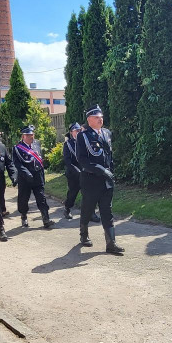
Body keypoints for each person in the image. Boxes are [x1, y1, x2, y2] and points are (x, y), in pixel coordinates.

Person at [75, 105, 124, 255]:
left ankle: (111, 244)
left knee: (107, 210)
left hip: (106, 181)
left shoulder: (106, 133)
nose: (100, 119)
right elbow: (81, 159)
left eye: (101, 117)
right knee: (88, 209)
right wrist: (100, 170)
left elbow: (109, 156)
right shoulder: (83, 136)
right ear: (89, 120)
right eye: (96, 117)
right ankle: (84, 235)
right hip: (91, 180)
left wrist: (110, 171)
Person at [12, 125, 55, 229]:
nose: (31, 137)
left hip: (37, 176)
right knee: (23, 198)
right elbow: (18, 164)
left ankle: (46, 218)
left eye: (32, 135)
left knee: (41, 197)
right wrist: (26, 173)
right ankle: (24, 217)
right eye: (28, 135)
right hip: (25, 177)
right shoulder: (17, 148)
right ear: (23, 136)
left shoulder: (36, 144)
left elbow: (39, 161)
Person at [62, 123, 84, 219]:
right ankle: (67, 208)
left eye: (79, 130)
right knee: (72, 193)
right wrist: (77, 171)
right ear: (71, 132)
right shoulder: (67, 144)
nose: (78, 132)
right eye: (76, 131)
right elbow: (67, 161)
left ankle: (90, 213)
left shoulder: (84, 142)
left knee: (87, 193)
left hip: (85, 172)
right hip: (73, 174)